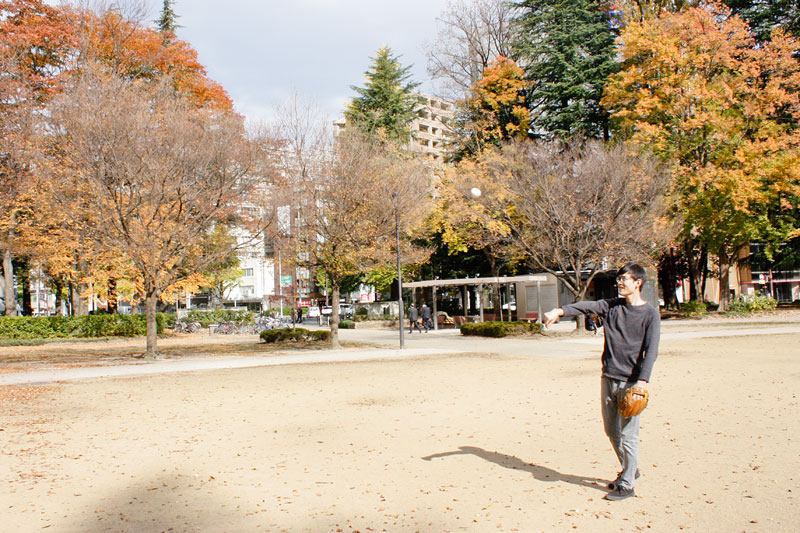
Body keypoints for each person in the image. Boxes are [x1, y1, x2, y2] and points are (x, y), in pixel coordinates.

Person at [543, 263, 660, 501]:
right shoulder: (611, 307)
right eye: (619, 279)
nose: (619, 282)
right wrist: (558, 311)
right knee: (611, 431)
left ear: (637, 282)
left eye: (624, 279)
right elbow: (584, 306)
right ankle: (630, 468)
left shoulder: (650, 314)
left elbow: (652, 351)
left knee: (628, 435)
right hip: (608, 377)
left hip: (631, 384)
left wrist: (642, 382)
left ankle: (627, 485)